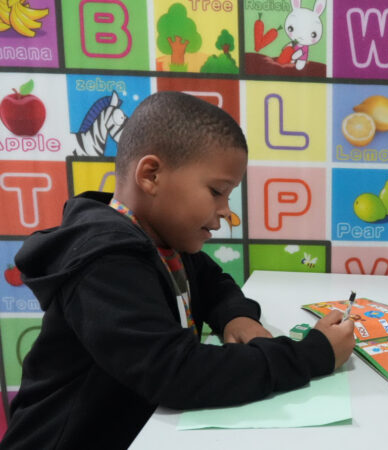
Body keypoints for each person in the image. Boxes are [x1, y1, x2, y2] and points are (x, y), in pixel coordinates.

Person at [0, 91, 356, 449]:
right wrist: (313, 355)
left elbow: (212, 283)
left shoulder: (162, 239)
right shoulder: (106, 261)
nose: (226, 211)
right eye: (217, 191)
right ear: (151, 175)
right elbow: (177, 373)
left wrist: (236, 317)